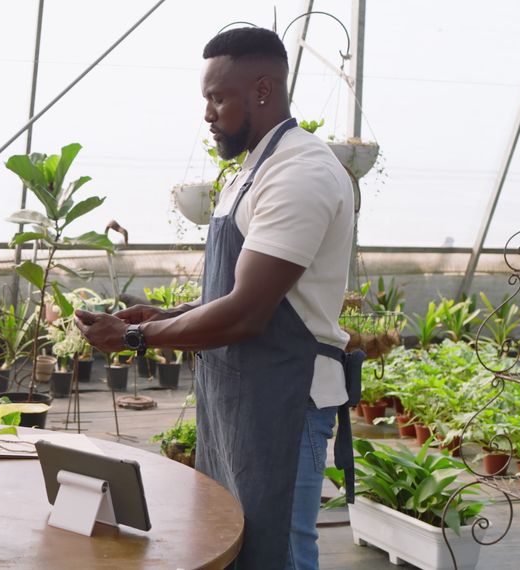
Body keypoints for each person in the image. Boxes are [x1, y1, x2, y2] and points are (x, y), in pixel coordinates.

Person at [75, 27, 354, 570]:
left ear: (263, 90)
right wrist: (167, 314)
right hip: (235, 399)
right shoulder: (247, 174)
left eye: (218, 97)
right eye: (206, 98)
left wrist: (135, 336)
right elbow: (234, 291)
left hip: (284, 401)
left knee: (280, 553)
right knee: (233, 543)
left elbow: (249, 311)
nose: (207, 114)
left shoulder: (301, 171)